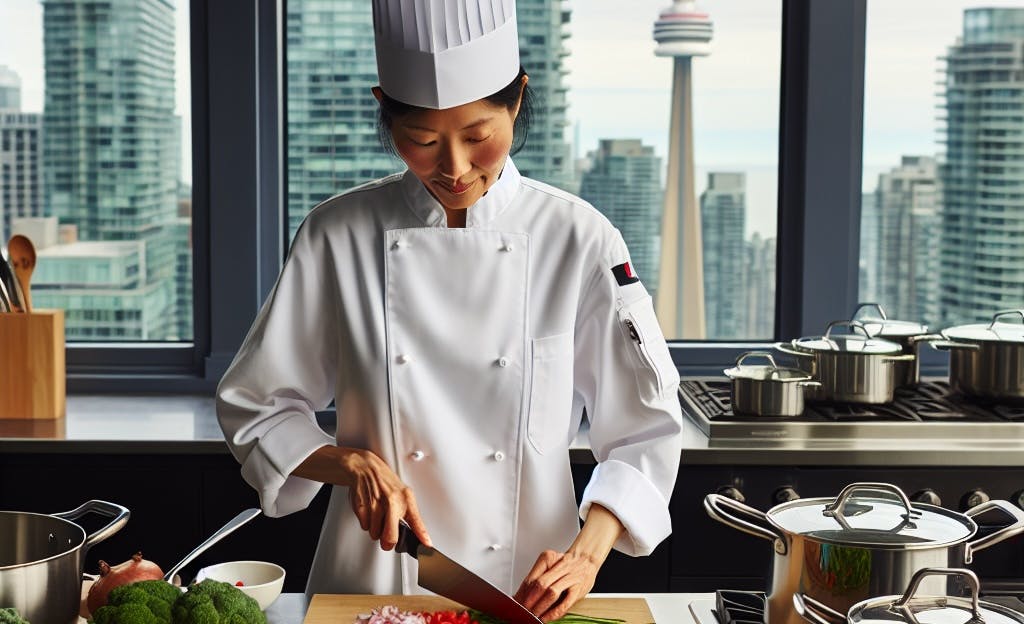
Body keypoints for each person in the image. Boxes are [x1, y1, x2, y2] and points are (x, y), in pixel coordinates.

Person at [216, 0, 683, 620]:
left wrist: (587, 555)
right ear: (386, 114)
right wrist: (345, 462)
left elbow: (644, 430)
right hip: (374, 582)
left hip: (530, 589)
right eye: (423, 141)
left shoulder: (580, 238)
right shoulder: (337, 234)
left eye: (477, 136)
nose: (455, 169)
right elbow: (256, 406)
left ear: (517, 98)